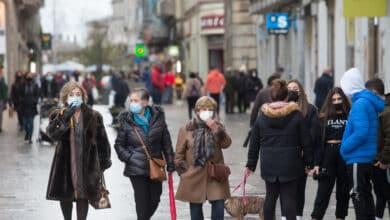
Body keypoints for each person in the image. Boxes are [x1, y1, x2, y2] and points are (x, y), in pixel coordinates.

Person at [245, 79, 313, 220]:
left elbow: (254, 143)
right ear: (287, 97)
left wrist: (251, 165)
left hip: (269, 164)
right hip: (291, 164)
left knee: (270, 197)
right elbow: (306, 142)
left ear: (272, 96)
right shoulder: (296, 115)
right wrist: (308, 163)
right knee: (289, 199)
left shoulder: (262, 116)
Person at [46, 81, 112, 220]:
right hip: (65, 163)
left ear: (83, 96)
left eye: (78, 94)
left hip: (86, 162)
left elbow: (103, 141)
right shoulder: (59, 114)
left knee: (83, 195)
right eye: (71, 94)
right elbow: (52, 134)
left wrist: (102, 164)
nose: (75, 97)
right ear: (65, 98)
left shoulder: (94, 116)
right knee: (66, 195)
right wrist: (65, 117)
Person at [114, 88, 175, 220]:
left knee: (155, 198)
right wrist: (129, 158)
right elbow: (119, 145)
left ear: (145, 102)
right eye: (131, 101)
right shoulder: (127, 122)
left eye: (136, 100)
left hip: (156, 165)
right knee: (141, 200)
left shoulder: (158, 119)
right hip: (136, 168)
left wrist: (171, 162)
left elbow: (166, 143)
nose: (132, 103)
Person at [175, 96, 232, 220]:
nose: (207, 112)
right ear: (197, 111)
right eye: (204, 109)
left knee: (218, 205)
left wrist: (215, 129)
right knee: (195, 210)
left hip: (215, 174)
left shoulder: (218, 126)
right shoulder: (186, 129)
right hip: (194, 175)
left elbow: (226, 144)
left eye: (210, 109)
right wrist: (184, 172)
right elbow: (179, 155)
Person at [340, 68, 385, 220]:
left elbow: (361, 132)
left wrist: (344, 147)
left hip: (358, 157)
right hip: (364, 157)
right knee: (365, 193)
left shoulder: (360, 104)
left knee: (358, 194)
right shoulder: (365, 102)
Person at [280, 80, 319, 220]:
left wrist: (308, 155)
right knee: (285, 190)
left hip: (302, 156)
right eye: (289, 88)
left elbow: (314, 134)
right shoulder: (279, 109)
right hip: (284, 156)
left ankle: (298, 216)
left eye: (295, 88)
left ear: (300, 91)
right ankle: (285, 216)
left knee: (299, 189)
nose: (291, 91)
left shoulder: (310, 109)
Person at [310, 87, 351, 220]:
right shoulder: (323, 117)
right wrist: (316, 163)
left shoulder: (349, 115)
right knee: (323, 190)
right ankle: (316, 217)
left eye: (339, 99)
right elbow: (317, 143)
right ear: (329, 101)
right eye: (334, 99)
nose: (337, 101)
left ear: (343, 100)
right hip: (328, 152)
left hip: (344, 153)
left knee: (343, 190)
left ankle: (341, 216)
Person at [372, 92, 390, 220]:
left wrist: (383, 160)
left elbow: (389, 139)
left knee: (386, 194)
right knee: (380, 194)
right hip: (379, 160)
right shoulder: (381, 110)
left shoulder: (386, 111)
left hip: (383, 162)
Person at [20, 72, 40, 143]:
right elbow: (19, 93)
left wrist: (35, 101)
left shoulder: (35, 85)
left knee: (31, 123)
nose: (29, 76)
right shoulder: (22, 85)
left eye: (30, 75)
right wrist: (21, 100)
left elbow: (37, 94)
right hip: (24, 107)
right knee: (25, 123)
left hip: (32, 107)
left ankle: (30, 137)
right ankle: (27, 133)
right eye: (28, 75)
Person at [0, 67, 8, 132]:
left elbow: (4, 89)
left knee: (0, 114)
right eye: (2, 71)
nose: (2, 72)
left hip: (1, 99)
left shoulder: (2, 79)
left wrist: (5, 99)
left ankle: (0, 127)